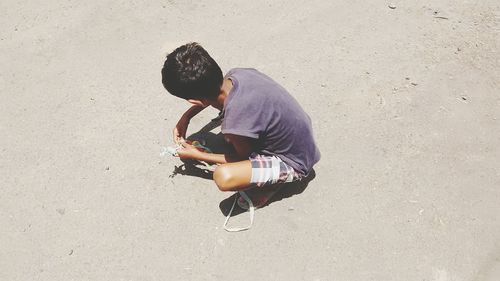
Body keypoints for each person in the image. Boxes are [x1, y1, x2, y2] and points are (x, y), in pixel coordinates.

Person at [161, 42, 320, 205]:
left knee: (224, 176)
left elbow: (241, 158)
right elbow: (211, 95)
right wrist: (186, 117)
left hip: (294, 162)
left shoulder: (235, 122)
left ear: (193, 100)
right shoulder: (237, 75)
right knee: (231, 138)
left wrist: (197, 154)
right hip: (302, 140)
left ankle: (272, 183)